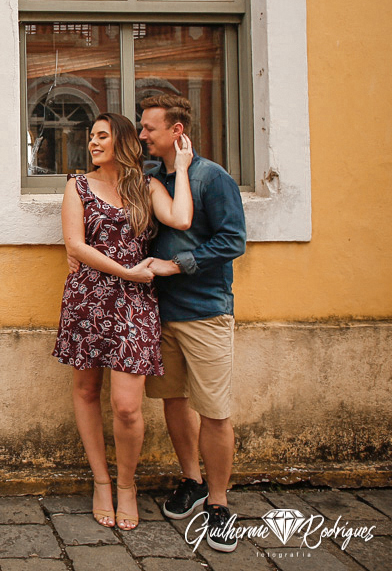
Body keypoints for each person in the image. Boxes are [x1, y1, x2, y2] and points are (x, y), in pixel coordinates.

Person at [55, 113, 193, 531]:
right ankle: (101, 481)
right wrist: (126, 271)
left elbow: (181, 219)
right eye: (91, 137)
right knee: (86, 390)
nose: (93, 143)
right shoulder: (78, 186)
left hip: (135, 303)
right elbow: (75, 245)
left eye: (102, 136)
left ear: (123, 140)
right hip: (89, 299)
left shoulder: (146, 187)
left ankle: (127, 485)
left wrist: (182, 169)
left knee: (128, 407)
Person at [138, 94, 246, 553]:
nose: (143, 135)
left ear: (176, 130)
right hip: (161, 313)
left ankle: (219, 504)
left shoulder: (211, 177)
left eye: (150, 128)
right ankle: (192, 481)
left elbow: (233, 240)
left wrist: (176, 265)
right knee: (173, 401)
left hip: (206, 313)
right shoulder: (151, 178)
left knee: (215, 411)